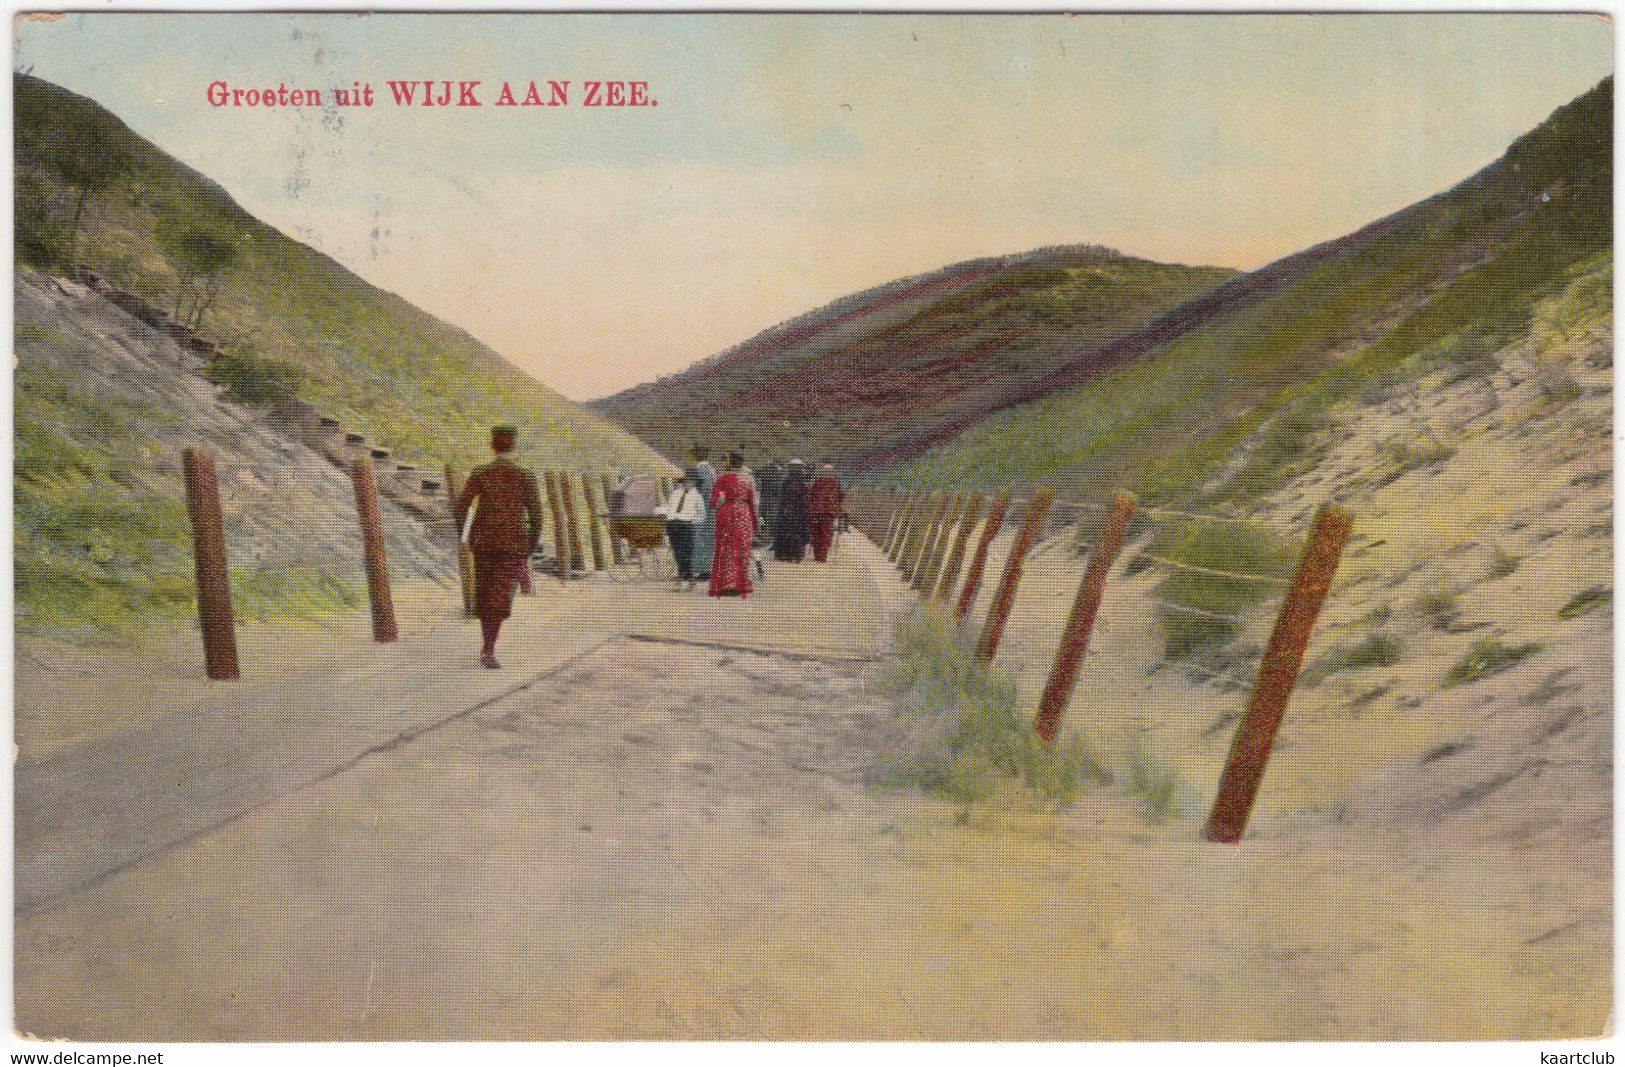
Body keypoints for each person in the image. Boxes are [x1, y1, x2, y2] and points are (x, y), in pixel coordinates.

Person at [455, 425, 543, 669]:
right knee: (500, 595)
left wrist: (466, 536)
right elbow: (536, 515)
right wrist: (530, 546)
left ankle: (486, 646)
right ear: (514, 446)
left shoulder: (480, 472)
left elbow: (461, 507)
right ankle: (488, 649)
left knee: (485, 592)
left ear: (492, 446)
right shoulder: (525, 475)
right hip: (513, 544)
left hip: (483, 543)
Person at [708, 451, 758, 597]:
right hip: (744, 513)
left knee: (725, 546)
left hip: (727, 513)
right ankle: (740, 583)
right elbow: (754, 502)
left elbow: (714, 501)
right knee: (742, 547)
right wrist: (754, 522)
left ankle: (725, 583)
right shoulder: (748, 479)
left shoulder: (721, 478)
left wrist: (719, 504)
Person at [657, 468, 706, 588]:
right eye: (685, 481)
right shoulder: (675, 493)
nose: (687, 483)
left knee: (686, 552)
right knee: (677, 552)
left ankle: (680, 578)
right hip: (672, 524)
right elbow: (669, 507)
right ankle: (689, 577)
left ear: (694, 482)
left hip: (686, 526)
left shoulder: (697, 496)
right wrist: (664, 514)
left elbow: (702, 514)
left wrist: (691, 522)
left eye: (690, 481)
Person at [773, 459, 812, 562]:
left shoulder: (796, 479)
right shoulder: (795, 479)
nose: (794, 468)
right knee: (791, 532)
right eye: (793, 467)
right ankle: (790, 555)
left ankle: (790, 555)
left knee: (792, 532)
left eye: (796, 467)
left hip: (794, 510)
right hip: (793, 509)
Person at [807, 460, 844, 563]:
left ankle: (817, 555)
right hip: (829, 513)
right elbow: (840, 497)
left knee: (816, 532)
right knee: (826, 533)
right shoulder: (835, 483)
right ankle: (822, 556)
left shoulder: (817, 482)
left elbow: (810, 495)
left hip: (817, 511)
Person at [689, 444, 717, 580]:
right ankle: (706, 568)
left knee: (699, 537)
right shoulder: (710, 469)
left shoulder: (701, 469)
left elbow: (704, 488)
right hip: (710, 508)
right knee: (707, 538)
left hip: (701, 508)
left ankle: (702, 570)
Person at [756, 458, 786, 547]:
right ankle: (771, 535)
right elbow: (780, 487)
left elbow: (759, 479)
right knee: (771, 517)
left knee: (762, 516)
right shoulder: (780, 473)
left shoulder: (765, 470)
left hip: (765, 497)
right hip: (773, 499)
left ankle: (762, 530)